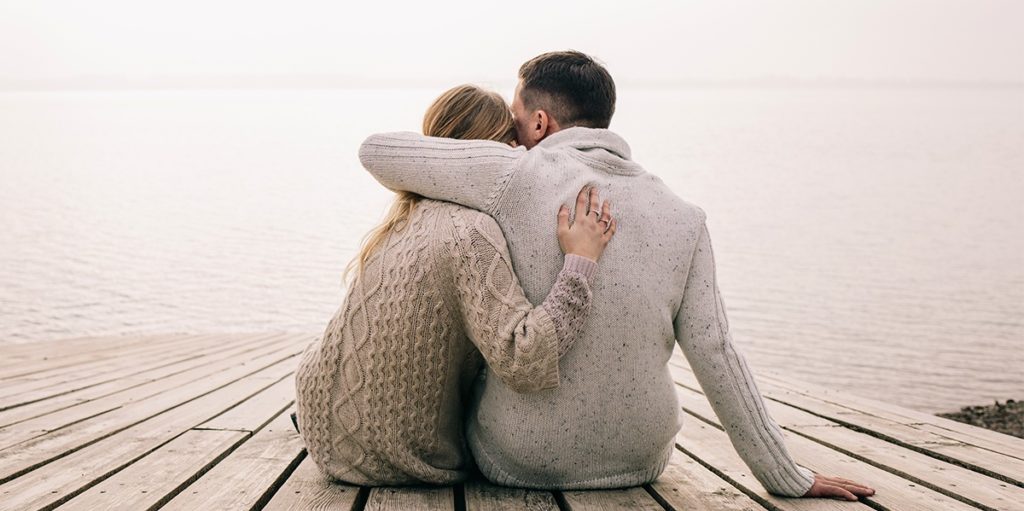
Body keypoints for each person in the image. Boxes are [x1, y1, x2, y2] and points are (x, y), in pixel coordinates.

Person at [358, 51, 876, 501]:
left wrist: (490, 155)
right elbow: (717, 353)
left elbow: (377, 151)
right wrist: (787, 476)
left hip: (518, 462)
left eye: (516, 125)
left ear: (539, 123)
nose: (511, 140)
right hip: (640, 459)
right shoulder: (684, 216)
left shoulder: (513, 176)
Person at [293, 84, 617, 485]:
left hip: (320, 422)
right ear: (487, 152)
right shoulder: (472, 232)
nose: (521, 155)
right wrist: (580, 263)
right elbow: (524, 359)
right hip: (391, 455)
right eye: (510, 144)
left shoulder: (402, 217)